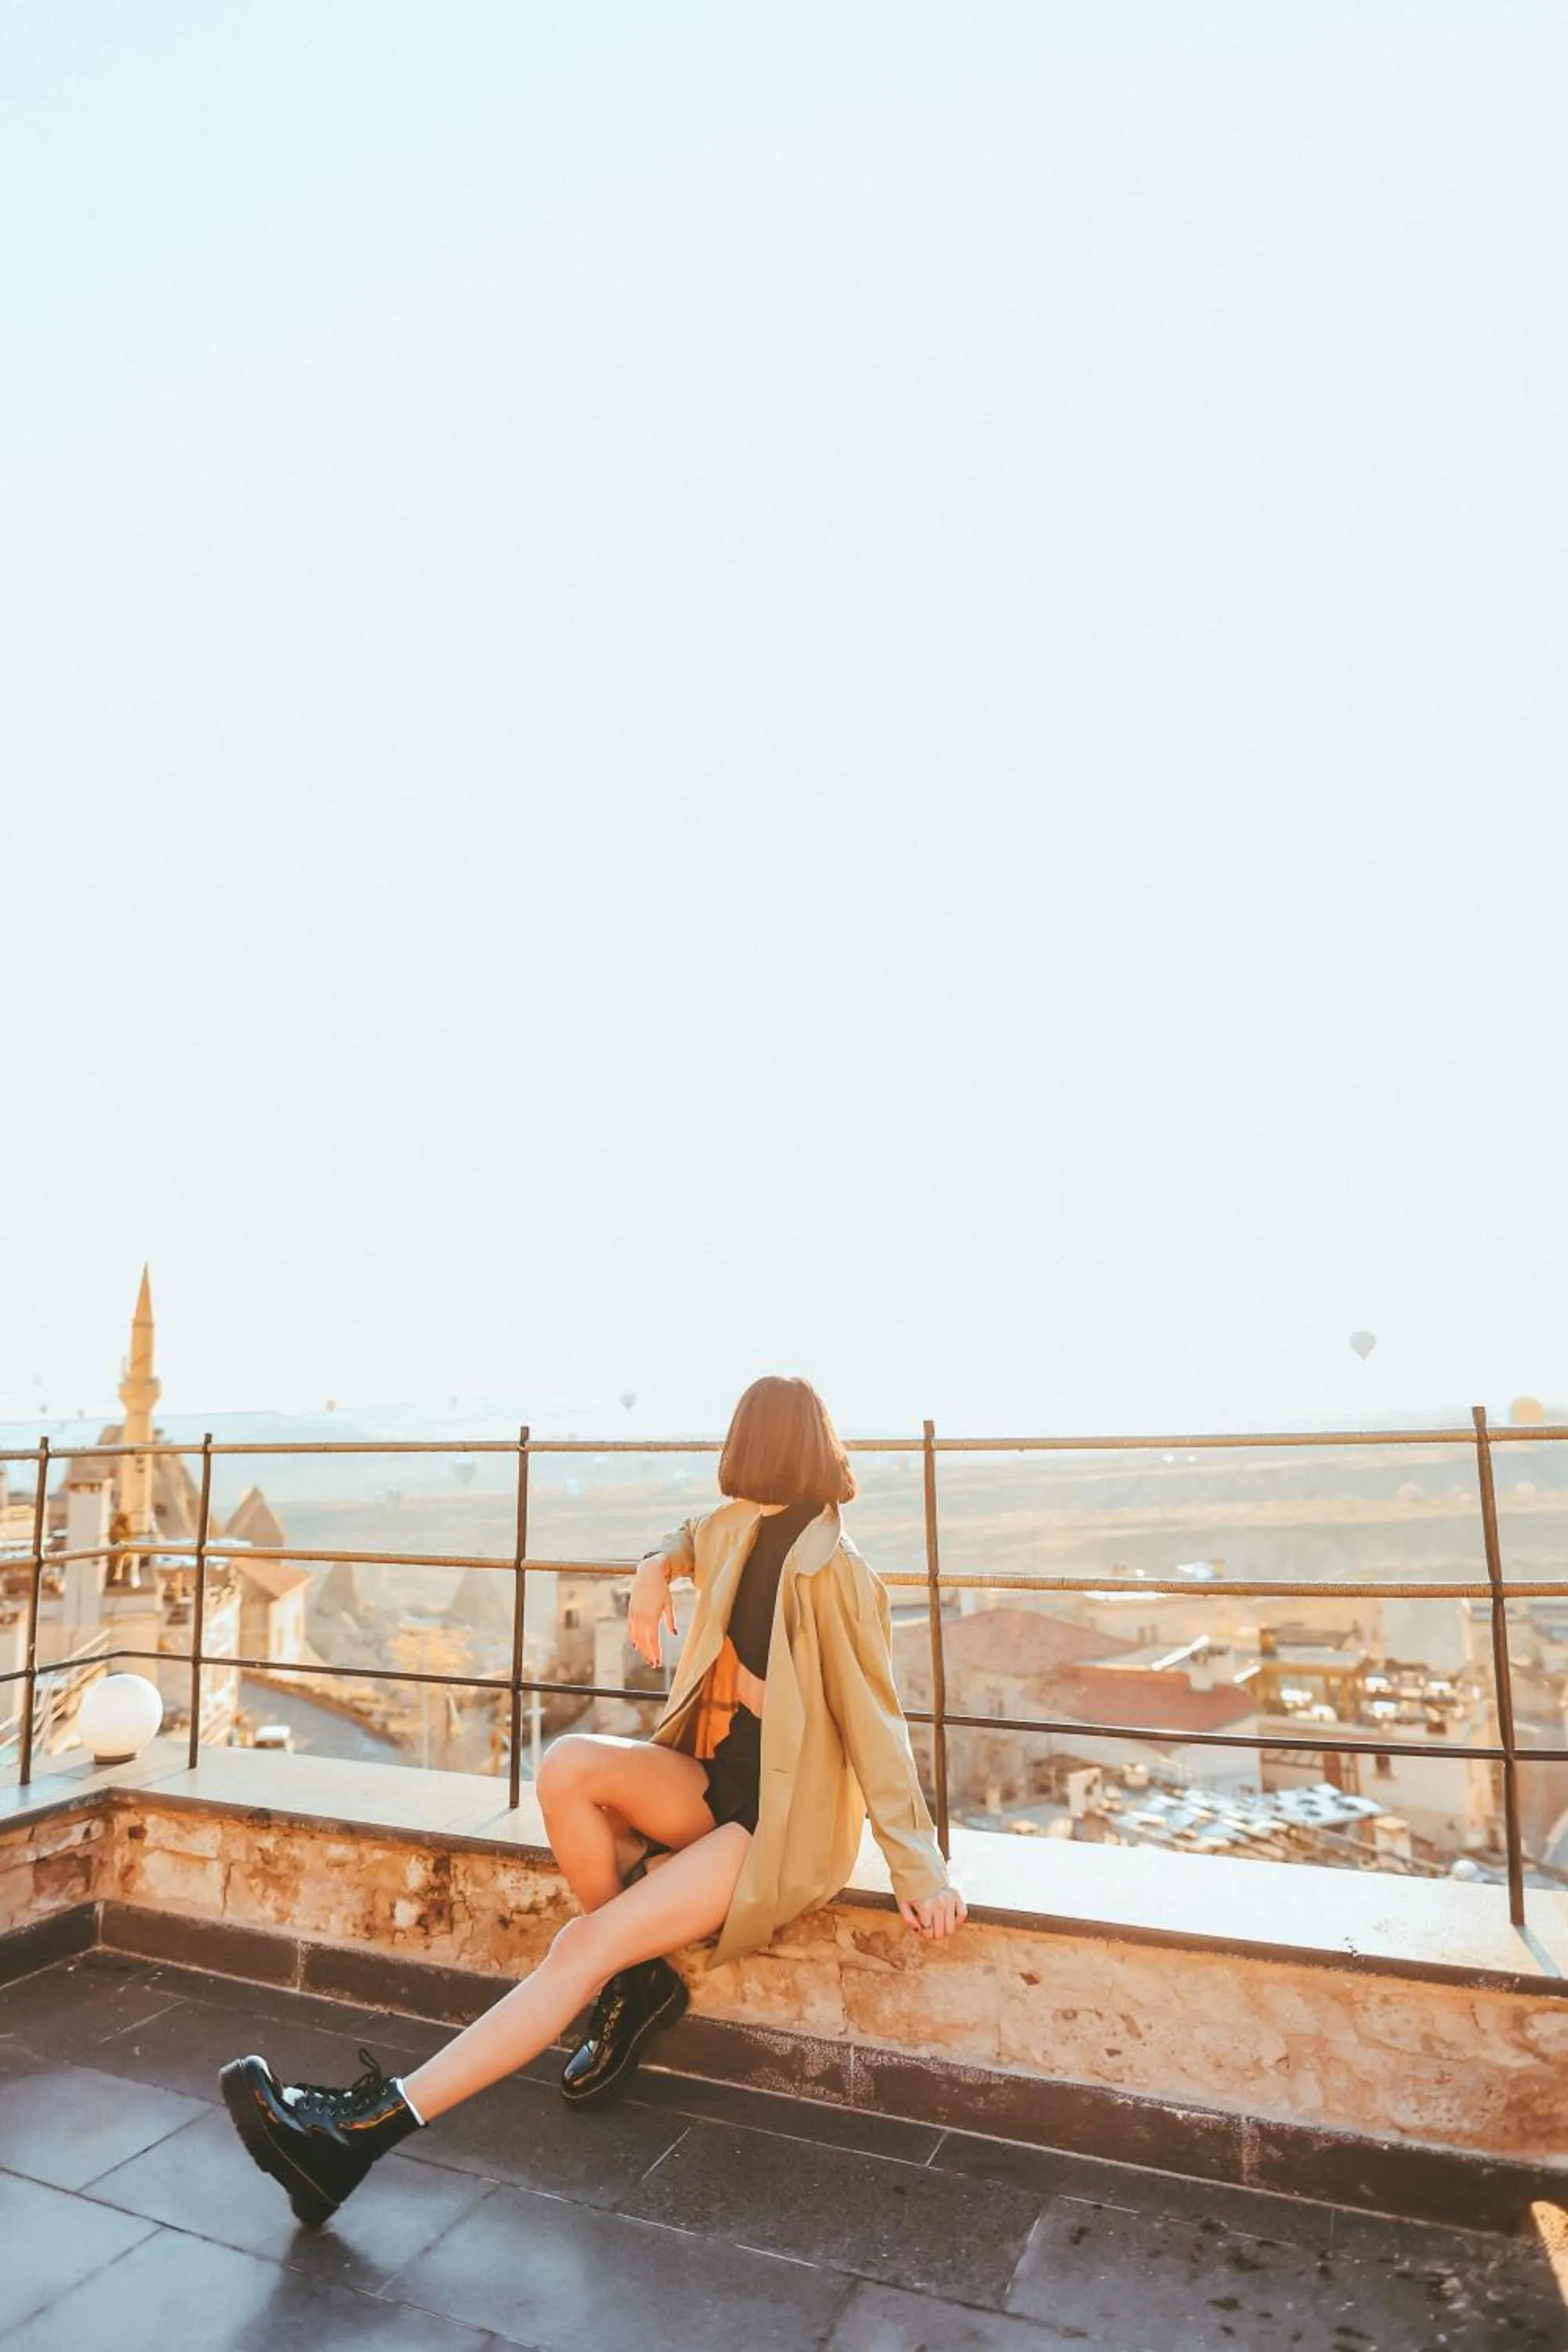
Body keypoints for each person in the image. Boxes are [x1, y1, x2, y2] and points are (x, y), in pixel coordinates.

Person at [219, 1374, 966, 2227]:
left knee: (579, 1946)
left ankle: (360, 2133)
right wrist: (654, 1568)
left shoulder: (838, 1575)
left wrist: (920, 1870)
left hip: (776, 1823)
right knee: (566, 1765)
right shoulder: (737, 1528)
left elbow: (877, 1727)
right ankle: (637, 1981)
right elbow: (689, 1534)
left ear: (756, 1446)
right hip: (720, 1779)